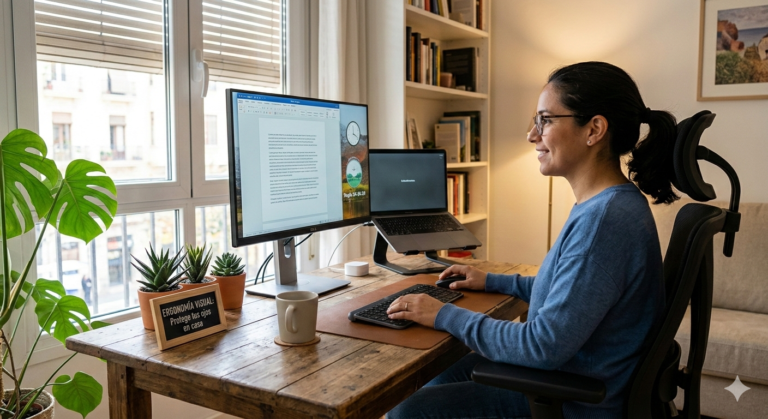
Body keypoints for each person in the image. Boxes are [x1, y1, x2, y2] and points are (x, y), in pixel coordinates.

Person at [386, 62, 676, 418]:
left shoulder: (603, 222)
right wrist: (493, 281)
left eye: (545, 120)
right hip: (574, 375)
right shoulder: (610, 203)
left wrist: (443, 313)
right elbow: (574, 293)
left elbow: (541, 345)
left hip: (575, 401)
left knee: (407, 412)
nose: (531, 135)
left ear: (594, 129)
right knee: (440, 373)